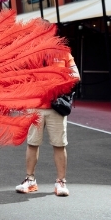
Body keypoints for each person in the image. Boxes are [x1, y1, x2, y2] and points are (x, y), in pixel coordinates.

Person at [16, 54, 80, 197]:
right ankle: (30, 180)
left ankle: (61, 182)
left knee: (59, 144)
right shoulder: (32, 52)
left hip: (56, 107)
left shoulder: (64, 54)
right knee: (32, 143)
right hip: (34, 106)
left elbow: (76, 76)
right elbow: (20, 76)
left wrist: (58, 85)